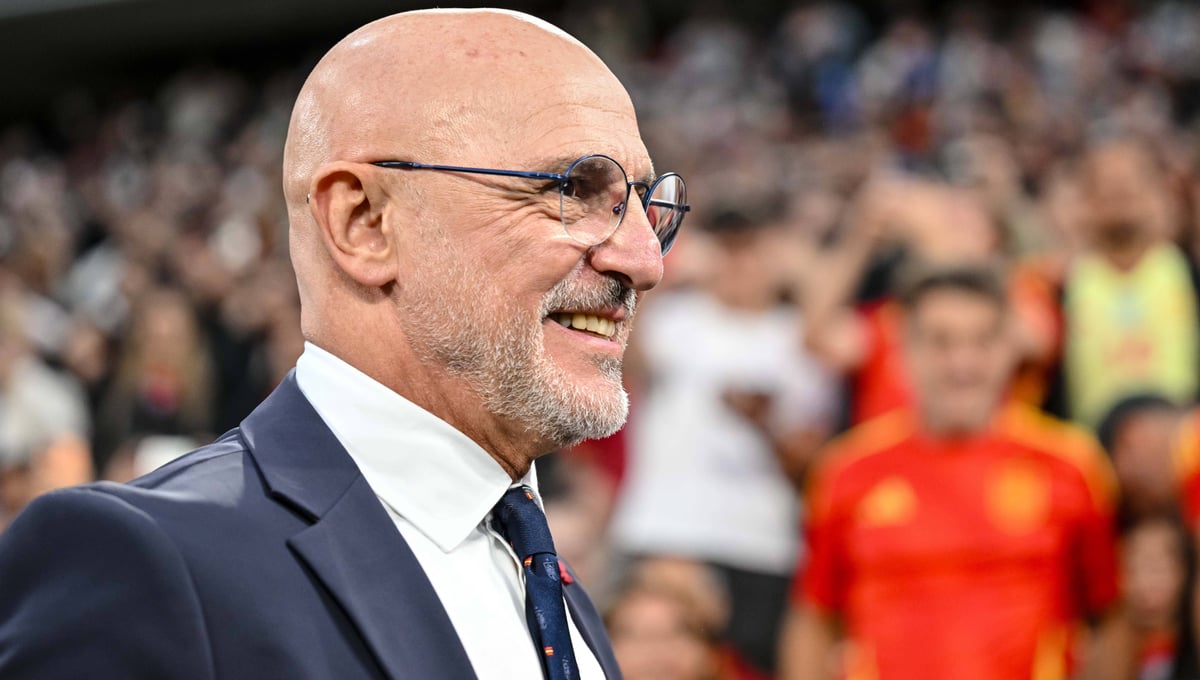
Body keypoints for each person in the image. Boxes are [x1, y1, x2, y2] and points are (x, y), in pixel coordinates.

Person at [0, 8, 689, 679]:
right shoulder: (144, 562)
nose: (644, 261)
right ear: (364, 222)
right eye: (575, 188)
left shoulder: (549, 579)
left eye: (642, 202)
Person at [778, 263, 1125, 680]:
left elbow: (1111, 615)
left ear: (1009, 348)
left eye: (983, 340)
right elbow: (813, 618)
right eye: (940, 342)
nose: (962, 362)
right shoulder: (846, 471)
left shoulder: (1071, 464)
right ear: (904, 349)